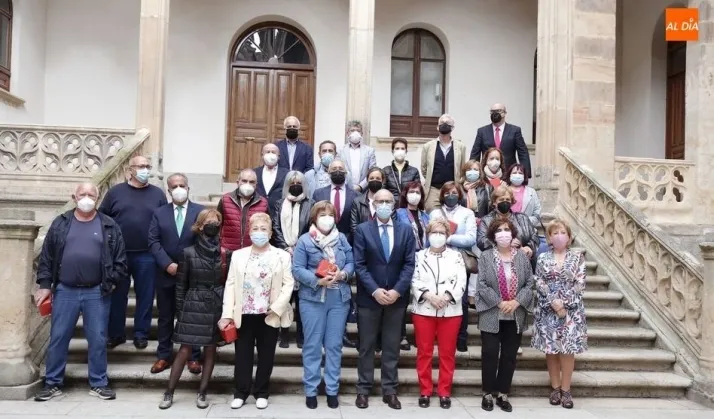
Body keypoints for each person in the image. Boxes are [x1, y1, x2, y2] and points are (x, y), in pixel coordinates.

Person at [34, 182, 127, 402]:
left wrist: (112, 282)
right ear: (74, 197)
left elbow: (120, 260)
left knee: (98, 339)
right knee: (58, 337)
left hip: (97, 292)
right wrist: (45, 285)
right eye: (82, 194)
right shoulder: (61, 223)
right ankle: (52, 383)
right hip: (65, 291)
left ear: (98, 198)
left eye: (91, 195)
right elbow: (46, 257)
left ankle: (99, 383)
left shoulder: (109, 225)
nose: (87, 198)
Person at [220, 213, 294, 410]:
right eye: (255, 229)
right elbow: (230, 285)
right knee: (242, 356)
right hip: (243, 314)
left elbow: (288, 284)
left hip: (269, 314)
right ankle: (241, 392)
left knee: (266, 355)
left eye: (263, 229)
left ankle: (261, 392)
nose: (259, 232)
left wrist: (277, 307)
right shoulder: (238, 255)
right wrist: (227, 314)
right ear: (249, 232)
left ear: (270, 233)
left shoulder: (282, 256)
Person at [158, 209, 228, 410]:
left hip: (215, 303)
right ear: (200, 226)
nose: (212, 224)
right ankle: (169, 392)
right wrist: (181, 310)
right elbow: (181, 285)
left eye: (216, 221)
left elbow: (227, 283)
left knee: (211, 349)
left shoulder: (225, 253)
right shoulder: (188, 252)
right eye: (208, 221)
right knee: (184, 349)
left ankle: (203, 392)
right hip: (193, 303)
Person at [353, 189, 416, 410]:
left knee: (391, 347)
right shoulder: (362, 230)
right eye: (379, 201)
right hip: (369, 298)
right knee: (366, 347)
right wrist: (375, 290)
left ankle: (390, 390)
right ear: (373, 204)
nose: (384, 205)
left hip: (396, 299)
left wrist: (398, 290)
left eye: (388, 201)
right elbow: (359, 265)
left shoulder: (405, 230)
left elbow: (409, 264)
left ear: (394, 204)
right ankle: (363, 389)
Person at [99, 155, 167, 350]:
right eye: (141, 166)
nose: (145, 170)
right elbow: (102, 218)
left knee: (146, 296)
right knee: (117, 295)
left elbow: (165, 220)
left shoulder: (158, 194)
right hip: (119, 255)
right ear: (130, 170)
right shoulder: (115, 192)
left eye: (147, 166)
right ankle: (116, 334)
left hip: (147, 254)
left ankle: (141, 334)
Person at [292, 201, 354, 410]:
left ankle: (331, 389)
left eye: (330, 215)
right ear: (314, 218)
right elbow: (297, 269)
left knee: (334, 345)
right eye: (322, 215)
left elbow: (351, 263)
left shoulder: (341, 238)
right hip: (312, 299)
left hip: (339, 300)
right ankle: (311, 389)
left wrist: (342, 274)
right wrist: (317, 280)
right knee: (312, 345)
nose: (327, 219)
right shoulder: (305, 240)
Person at [476, 218, 534, 413]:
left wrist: (516, 302)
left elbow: (529, 283)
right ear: (493, 236)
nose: (503, 233)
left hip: (515, 314)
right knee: (490, 353)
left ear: (513, 234)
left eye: (507, 229)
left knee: (509, 355)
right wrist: (500, 302)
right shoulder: (485, 257)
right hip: (492, 312)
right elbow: (482, 284)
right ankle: (487, 393)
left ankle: (503, 393)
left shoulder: (522, 257)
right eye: (499, 230)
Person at [147, 173, 203, 375]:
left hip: (192, 275)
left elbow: (205, 241)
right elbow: (153, 241)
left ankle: (193, 357)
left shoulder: (200, 211)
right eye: (174, 186)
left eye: (182, 185)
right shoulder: (159, 213)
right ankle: (164, 355)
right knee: (165, 316)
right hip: (166, 275)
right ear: (169, 190)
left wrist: (190, 266)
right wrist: (167, 264)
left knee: (192, 317)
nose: (179, 189)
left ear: (188, 188)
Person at [411, 219, 467, 409]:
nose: (437, 236)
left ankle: (444, 391)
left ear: (447, 236)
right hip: (424, 310)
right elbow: (414, 279)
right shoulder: (419, 256)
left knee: (447, 353)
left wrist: (447, 297)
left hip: (450, 311)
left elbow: (461, 280)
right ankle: (425, 390)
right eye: (433, 232)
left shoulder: (456, 256)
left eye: (441, 232)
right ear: (427, 235)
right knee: (424, 352)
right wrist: (429, 296)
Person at [531, 219, 587, 409]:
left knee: (567, 350)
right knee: (551, 350)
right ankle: (555, 387)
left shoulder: (577, 258)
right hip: (548, 309)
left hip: (571, 311)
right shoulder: (543, 258)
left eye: (563, 232)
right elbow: (539, 281)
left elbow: (580, 283)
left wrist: (564, 302)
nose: (559, 236)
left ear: (569, 237)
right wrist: (553, 302)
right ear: (549, 237)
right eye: (555, 233)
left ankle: (566, 389)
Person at [429, 182, 477, 353]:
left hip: (459, 261)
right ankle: (439, 335)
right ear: (442, 195)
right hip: (437, 260)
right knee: (438, 297)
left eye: (455, 193)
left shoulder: (467, 213)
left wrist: (446, 238)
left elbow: (470, 238)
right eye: (447, 193)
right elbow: (430, 236)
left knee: (460, 300)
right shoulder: (435, 213)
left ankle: (461, 337)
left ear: (460, 195)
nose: (451, 196)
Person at [271, 170, 314, 348]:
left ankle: (301, 335)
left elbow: (311, 227)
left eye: (299, 183)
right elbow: (275, 226)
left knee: (302, 298)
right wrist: (286, 247)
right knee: (284, 297)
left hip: (304, 255)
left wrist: (299, 248)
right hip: (283, 255)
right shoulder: (279, 204)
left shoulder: (311, 204)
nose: (295, 185)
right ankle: (284, 334)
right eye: (292, 183)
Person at [394, 181, 430, 351]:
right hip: (404, 260)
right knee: (402, 299)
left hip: (423, 260)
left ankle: (420, 335)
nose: (414, 195)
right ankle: (401, 335)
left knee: (421, 298)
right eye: (411, 192)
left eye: (418, 192)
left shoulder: (426, 216)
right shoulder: (398, 213)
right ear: (405, 194)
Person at [420, 114, 468, 212]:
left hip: (452, 190)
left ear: (452, 127)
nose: (444, 124)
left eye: (447, 123)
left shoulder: (460, 147)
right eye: (442, 123)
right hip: (433, 189)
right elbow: (424, 168)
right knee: (433, 214)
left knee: (453, 215)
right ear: (437, 127)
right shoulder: (428, 146)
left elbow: (462, 168)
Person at [469, 103, 532, 178]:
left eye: (498, 111)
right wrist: (472, 173)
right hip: (487, 175)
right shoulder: (482, 131)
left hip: (508, 174)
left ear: (504, 113)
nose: (495, 113)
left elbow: (523, 152)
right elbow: (475, 154)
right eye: (492, 111)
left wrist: (526, 174)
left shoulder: (515, 130)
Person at [217, 168, 270, 251]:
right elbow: (218, 225)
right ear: (238, 182)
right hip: (228, 252)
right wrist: (220, 248)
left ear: (256, 184)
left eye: (251, 182)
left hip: (252, 252)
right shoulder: (226, 200)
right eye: (244, 181)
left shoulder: (263, 203)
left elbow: (268, 228)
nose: (248, 184)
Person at [477, 187, 539, 257]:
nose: (505, 202)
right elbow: (481, 241)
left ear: (512, 202)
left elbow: (534, 236)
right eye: (501, 199)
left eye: (507, 199)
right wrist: (505, 244)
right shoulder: (486, 220)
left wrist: (529, 247)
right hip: (496, 259)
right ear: (494, 202)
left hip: (523, 257)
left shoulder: (523, 218)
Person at [312, 159, 357, 243]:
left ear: (346, 172)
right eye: (334, 169)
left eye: (340, 168)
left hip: (348, 241)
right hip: (323, 240)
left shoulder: (356, 195)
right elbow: (313, 219)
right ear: (329, 172)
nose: (337, 171)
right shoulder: (318, 194)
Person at [504, 163, 544, 256]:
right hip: (507, 231)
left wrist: (525, 222)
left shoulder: (531, 192)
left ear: (524, 175)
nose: (517, 175)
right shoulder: (504, 190)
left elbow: (537, 212)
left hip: (527, 233)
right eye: (514, 173)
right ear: (509, 175)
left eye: (520, 173)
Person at [339, 120, 376, 193]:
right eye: (352, 130)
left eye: (358, 131)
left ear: (361, 134)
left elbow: (372, 171)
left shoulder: (369, 151)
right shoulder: (340, 151)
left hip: (363, 191)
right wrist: (348, 186)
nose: (355, 133)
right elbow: (338, 170)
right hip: (345, 189)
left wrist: (361, 186)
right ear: (347, 133)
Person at [350, 167, 388, 237]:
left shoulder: (388, 201)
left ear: (382, 181)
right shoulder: (357, 202)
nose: (374, 180)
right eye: (371, 178)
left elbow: (392, 225)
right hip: (362, 240)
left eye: (378, 178)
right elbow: (354, 227)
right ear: (367, 180)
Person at [255, 143, 289, 210]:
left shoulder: (287, 173)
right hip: (258, 211)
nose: (270, 154)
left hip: (278, 211)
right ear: (262, 155)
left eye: (273, 152)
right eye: (268, 152)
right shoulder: (254, 172)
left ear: (278, 156)